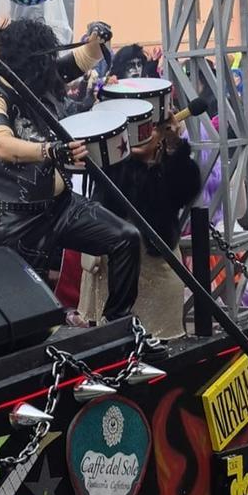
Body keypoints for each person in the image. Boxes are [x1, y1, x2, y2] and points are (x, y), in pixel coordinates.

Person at [0, 18, 144, 324]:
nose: (54, 67)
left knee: (126, 238)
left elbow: (87, 55)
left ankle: (119, 324)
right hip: (17, 219)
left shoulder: (41, 77)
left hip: (60, 206)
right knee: (32, 314)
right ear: (32, 61)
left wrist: (98, 35)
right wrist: (50, 151)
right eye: (47, 58)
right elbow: (1, 145)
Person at [78, 119, 202, 339]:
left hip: (157, 265)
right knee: (111, 343)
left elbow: (185, 190)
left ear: (163, 132)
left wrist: (177, 151)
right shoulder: (110, 163)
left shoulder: (173, 164)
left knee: (161, 341)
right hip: (114, 269)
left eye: (149, 126)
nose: (139, 133)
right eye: (132, 127)